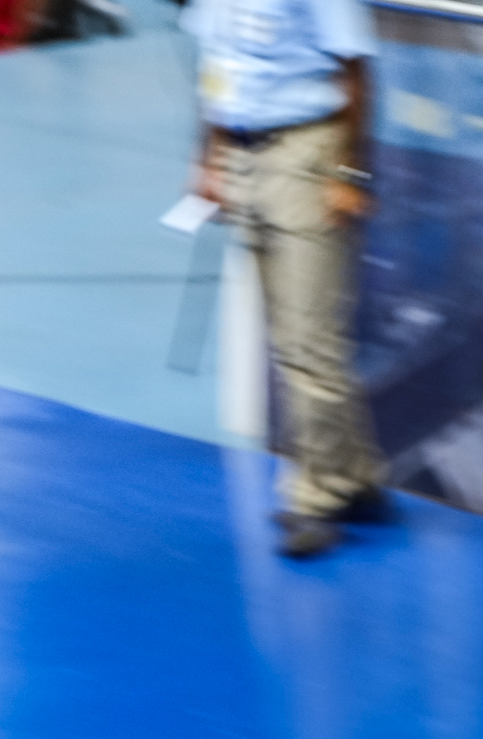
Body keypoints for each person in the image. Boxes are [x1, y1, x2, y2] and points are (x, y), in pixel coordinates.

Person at [185, 0, 386, 557]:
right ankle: (357, 476)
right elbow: (216, 64)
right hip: (243, 153)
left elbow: (356, 69)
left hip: (304, 155)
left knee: (310, 340)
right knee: (288, 335)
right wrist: (208, 158)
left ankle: (316, 498)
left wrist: (349, 171)